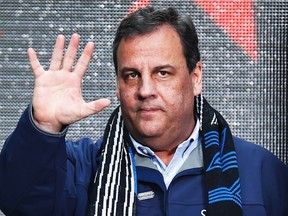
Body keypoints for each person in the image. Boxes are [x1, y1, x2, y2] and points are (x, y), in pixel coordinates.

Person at [0, 6, 287, 216]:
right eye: (131, 75)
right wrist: (43, 127)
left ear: (195, 77)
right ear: (118, 84)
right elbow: (14, 198)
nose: (145, 89)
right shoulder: (82, 167)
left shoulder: (261, 171)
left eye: (163, 73)